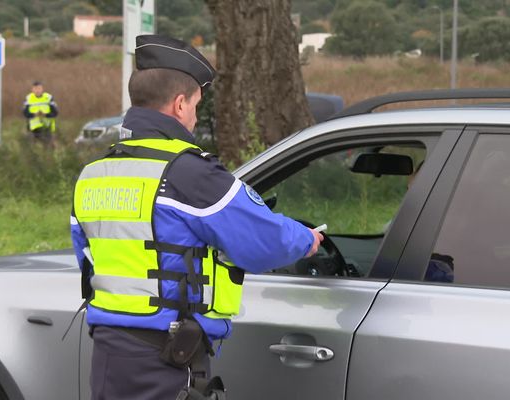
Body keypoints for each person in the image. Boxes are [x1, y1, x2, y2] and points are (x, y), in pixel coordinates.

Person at [70, 35, 323, 400]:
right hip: (166, 357)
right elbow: (262, 241)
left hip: (109, 353)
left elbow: (87, 257)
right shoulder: (188, 173)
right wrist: (305, 239)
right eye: (195, 106)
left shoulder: (93, 173)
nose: (194, 117)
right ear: (178, 104)